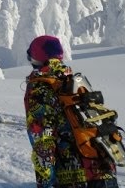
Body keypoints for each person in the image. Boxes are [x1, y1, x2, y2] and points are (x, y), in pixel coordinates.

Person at [24, 35, 118, 188]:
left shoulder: (40, 88)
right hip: (104, 169)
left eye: (32, 57)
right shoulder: (75, 81)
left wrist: (44, 181)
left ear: (37, 58)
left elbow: (43, 137)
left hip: (72, 176)